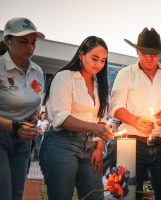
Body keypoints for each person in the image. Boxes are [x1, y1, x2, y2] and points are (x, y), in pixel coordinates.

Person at [110, 27, 161, 200]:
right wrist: (135, 120)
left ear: (160, 52)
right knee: (126, 194)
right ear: (137, 51)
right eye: (145, 54)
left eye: (155, 54)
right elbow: (116, 106)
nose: (150, 58)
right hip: (131, 143)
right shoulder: (125, 74)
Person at [39, 36, 114, 200]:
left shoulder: (98, 83)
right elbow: (62, 118)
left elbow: (102, 117)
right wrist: (95, 128)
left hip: (90, 147)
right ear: (81, 54)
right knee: (61, 195)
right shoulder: (65, 77)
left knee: (94, 196)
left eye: (103, 61)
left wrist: (99, 148)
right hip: (62, 144)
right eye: (94, 59)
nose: (98, 64)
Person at [0, 17, 45, 200]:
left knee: (17, 193)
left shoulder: (38, 71)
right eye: (23, 41)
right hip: (2, 135)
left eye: (33, 42)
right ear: (7, 40)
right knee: (4, 193)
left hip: (24, 138)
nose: (30, 47)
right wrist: (15, 126)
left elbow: (36, 102)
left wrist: (33, 119)